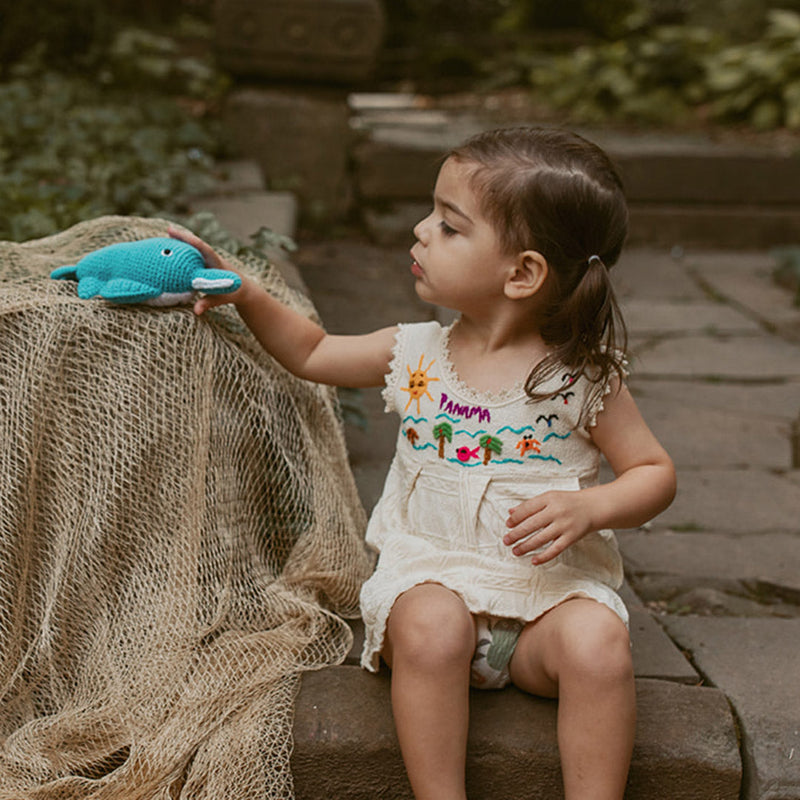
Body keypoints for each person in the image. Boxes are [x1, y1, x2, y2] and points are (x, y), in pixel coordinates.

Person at [170, 126, 676, 800]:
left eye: (448, 225)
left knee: (600, 645)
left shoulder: (580, 380)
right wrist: (251, 295)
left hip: (541, 612)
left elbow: (653, 473)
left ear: (522, 272)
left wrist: (594, 505)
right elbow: (315, 353)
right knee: (431, 624)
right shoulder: (416, 354)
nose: (419, 232)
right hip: (434, 596)